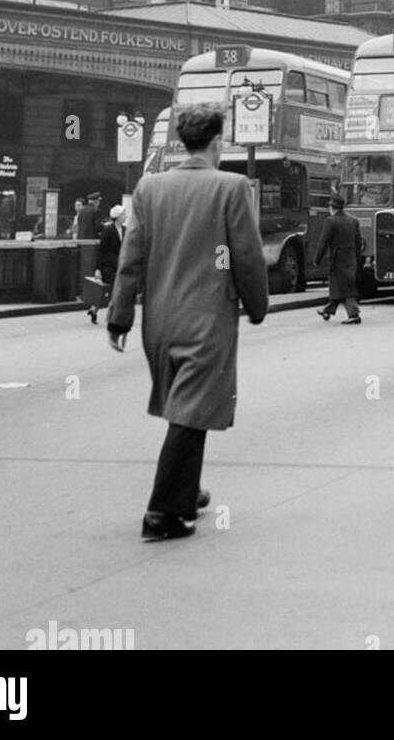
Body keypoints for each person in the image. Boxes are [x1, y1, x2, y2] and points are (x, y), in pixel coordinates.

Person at [107, 103, 268, 542]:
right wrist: (257, 305)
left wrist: (119, 318)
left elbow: (131, 257)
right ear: (218, 142)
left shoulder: (149, 188)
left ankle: (189, 490)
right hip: (207, 320)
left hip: (159, 323)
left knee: (186, 408)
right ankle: (162, 513)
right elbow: (245, 257)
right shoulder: (232, 187)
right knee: (191, 412)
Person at [315, 194, 364, 324]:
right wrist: (358, 259)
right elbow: (358, 242)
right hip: (351, 258)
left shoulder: (331, 221)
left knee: (345, 287)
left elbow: (323, 242)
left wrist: (317, 259)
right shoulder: (353, 221)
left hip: (337, 259)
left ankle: (354, 314)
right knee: (340, 285)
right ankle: (328, 310)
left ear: (332, 207)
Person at [89, 203, 126, 325]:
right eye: (123, 214)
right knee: (115, 290)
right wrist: (98, 268)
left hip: (120, 265)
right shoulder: (108, 230)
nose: (125, 216)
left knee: (110, 290)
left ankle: (95, 309)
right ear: (118, 216)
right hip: (108, 265)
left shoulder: (125, 230)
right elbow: (101, 250)